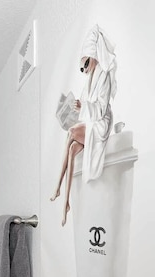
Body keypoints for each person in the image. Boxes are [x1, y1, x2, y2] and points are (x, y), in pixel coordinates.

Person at [50, 24, 117, 226]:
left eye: (85, 64)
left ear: (93, 57)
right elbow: (81, 109)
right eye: (82, 68)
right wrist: (71, 110)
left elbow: (102, 108)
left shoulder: (104, 75)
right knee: (71, 149)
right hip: (89, 122)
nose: (84, 70)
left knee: (71, 133)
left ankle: (58, 184)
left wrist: (83, 107)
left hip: (100, 124)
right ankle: (66, 203)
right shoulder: (88, 81)